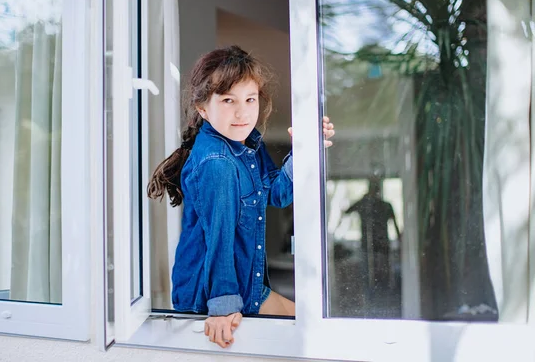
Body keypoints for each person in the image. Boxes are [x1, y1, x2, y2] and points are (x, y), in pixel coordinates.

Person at [147, 45, 334, 348]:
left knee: (312, 331)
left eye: (250, 99)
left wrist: (304, 149)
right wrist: (222, 306)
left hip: (247, 283)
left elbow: (277, 194)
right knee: (310, 339)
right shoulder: (217, 163)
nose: (242, 112)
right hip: (211, 294)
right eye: (228, 100)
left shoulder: (248, 145)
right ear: (202, 108)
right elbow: (220, 237)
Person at [344, 178, 400, 295]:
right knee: (369, 272)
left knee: (383, 271)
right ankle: (372, 293)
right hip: (368, 245)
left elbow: (395, 225)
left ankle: (384, 293)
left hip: (381, 245)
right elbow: (347, 211)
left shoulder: (385, 205)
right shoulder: (365, 205)